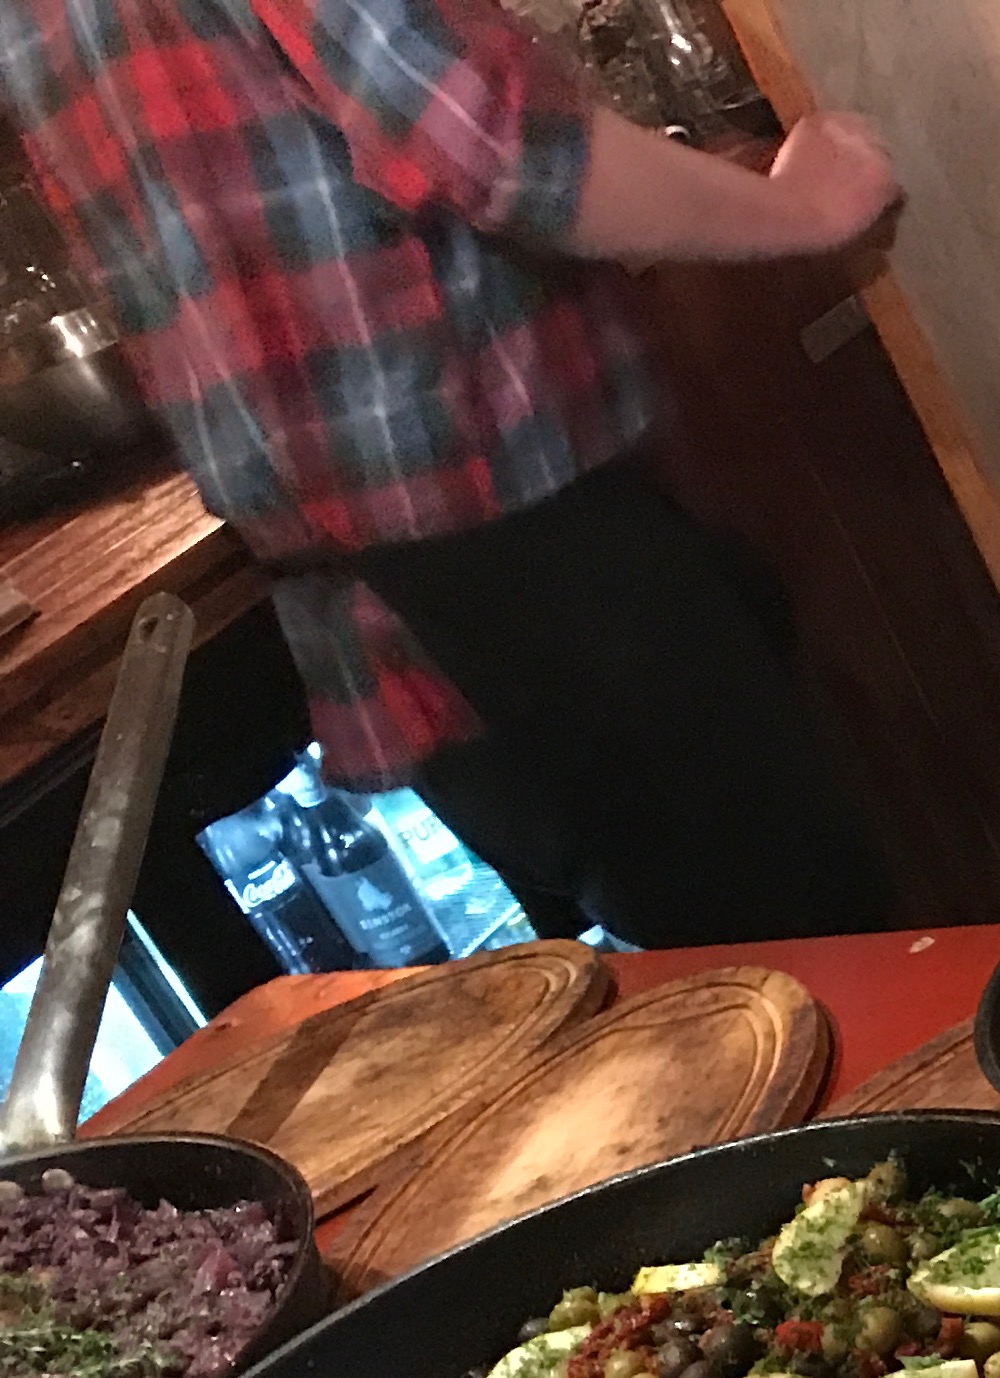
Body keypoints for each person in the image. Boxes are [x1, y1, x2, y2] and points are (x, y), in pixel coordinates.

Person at [0, 0, 909, 948]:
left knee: (712, 953)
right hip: (512, 508)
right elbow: (506, 147)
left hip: (364, 561)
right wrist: (801, 208)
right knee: (803, 926)